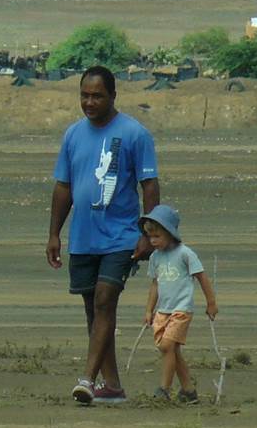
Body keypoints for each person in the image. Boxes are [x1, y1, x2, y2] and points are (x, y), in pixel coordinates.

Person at [46, 65, 159, 404]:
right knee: (93, 312)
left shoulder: (135, 134)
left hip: (121, 237)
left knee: (105, 301)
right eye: (84, 95)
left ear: (113, 96)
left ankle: (87, 380)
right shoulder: (72, 135)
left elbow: (149, 185)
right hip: (83, 236)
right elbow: (63, 186)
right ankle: (112, 386)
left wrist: (148, 232)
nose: (90, 102)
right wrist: (54, 233)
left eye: (97, 96)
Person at [139, 204, 218, 403]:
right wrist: (149, 310)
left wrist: (211, 303)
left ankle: (163, 389)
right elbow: (155, 285)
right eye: (150, 237)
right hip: (162, 311)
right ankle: (189, 391)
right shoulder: (155, 258)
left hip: (181, 310)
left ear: (170, 234)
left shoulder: (185, 254)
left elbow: (202, 277)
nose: (153, 241)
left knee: (167, 346)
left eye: (157, 237)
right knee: (172, 350)